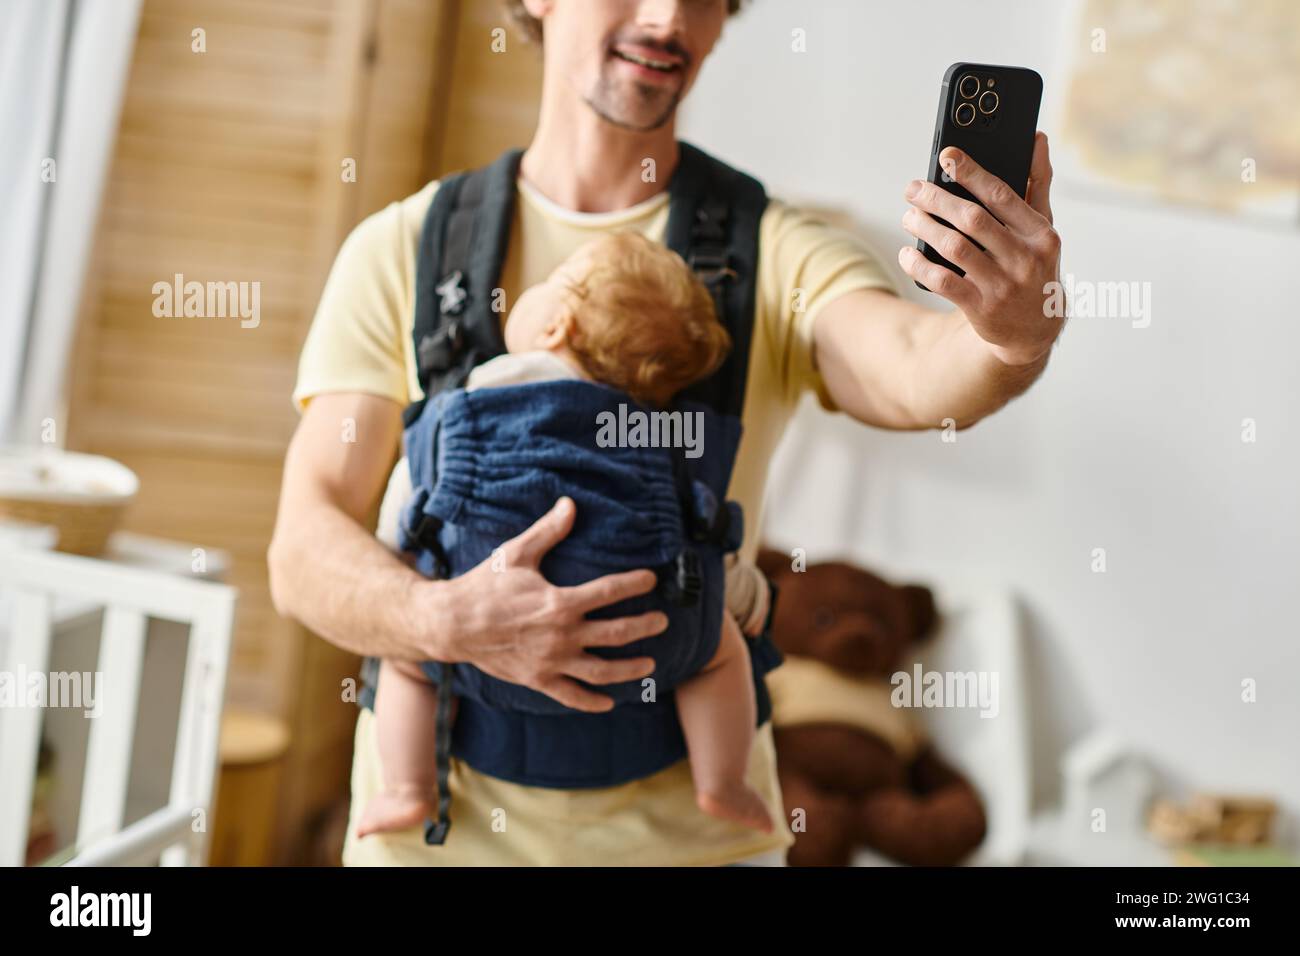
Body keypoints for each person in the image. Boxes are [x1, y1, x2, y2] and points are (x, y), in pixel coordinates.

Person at [269, 0, 1064, 867]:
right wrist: (445, 619)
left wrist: (1010, 333)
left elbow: (914, 366)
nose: (666, 18)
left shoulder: (775, 251)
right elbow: (305, 551)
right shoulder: (407, 251)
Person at [356, 233, 774, 838]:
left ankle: (406, 788)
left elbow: (413, 494)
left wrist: (397, 555)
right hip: (645, 640)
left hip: (472, 642)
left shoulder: (477, 395)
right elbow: (704, 531)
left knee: (403, 657)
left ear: (556, 326)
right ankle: (723, 781)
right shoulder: (654, 432)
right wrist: (742, 593)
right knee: (719, 653)